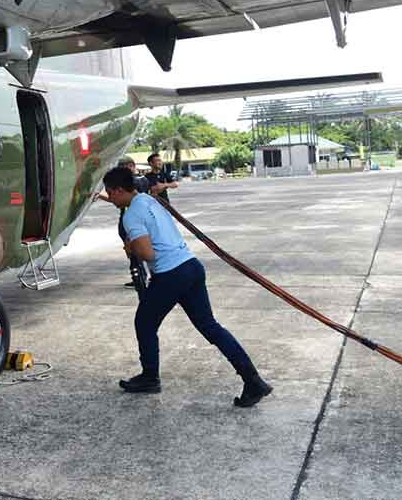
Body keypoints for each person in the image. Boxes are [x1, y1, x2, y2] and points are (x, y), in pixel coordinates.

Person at [101, 166, 273, 407]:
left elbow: (147, 252)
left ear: (119, 190)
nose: (109, 198)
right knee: (210, 326)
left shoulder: (131, 215)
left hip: (171, 274)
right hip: (191, 266)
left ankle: (150, 377)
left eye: (110, 193)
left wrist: (131, 248)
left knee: (144, 323)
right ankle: (253, 380)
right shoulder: (151, 201)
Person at [96, 158, 149, 288]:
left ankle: (140, 276)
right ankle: (139, 274)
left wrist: (132, 245)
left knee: (135, 252)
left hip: (169, 272)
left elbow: (148, 253)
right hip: (182, 267)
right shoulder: (147, 201)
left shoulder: (137, 182)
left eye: (110, 193)